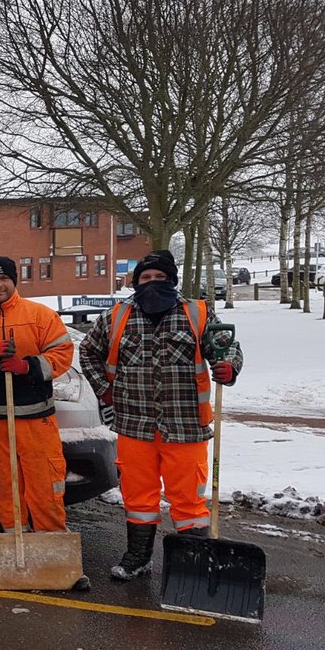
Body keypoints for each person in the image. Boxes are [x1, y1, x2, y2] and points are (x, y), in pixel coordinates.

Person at [79, 249, 243, 581]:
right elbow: (88, 350)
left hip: (185, 426)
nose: (152, 283)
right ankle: (138, 557)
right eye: (145, 278)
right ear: (136, 283)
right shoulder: (116, 317)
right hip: (133, 425)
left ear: (172, 281)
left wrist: (229, 367)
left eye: (159, 278)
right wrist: (103, 389)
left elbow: (228, 349)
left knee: (189, 499)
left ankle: (194, 562)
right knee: (139, 497)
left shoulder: (197, 314)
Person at [0, 256, 89, 590]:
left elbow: (61, 355)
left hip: (35, 420)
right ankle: (14, 547)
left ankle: (55, 554)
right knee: (4, 484)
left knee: (45, 485)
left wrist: (26, 366)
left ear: (14, 281)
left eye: (3, 280)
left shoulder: (40, 316)